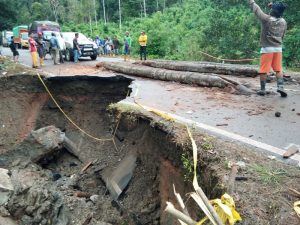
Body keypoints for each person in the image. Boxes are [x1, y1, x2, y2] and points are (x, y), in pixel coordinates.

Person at [247, 0, 287, 97]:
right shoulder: (283, 22)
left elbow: (257, 10)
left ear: (273, 11)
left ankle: (263, 89)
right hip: (278, 48)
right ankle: (280, 87)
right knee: (278, 69)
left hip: (267, 49)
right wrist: (272, 6)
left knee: (263, 70)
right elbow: (283, 35)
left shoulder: (266, 19)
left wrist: (251, 2)